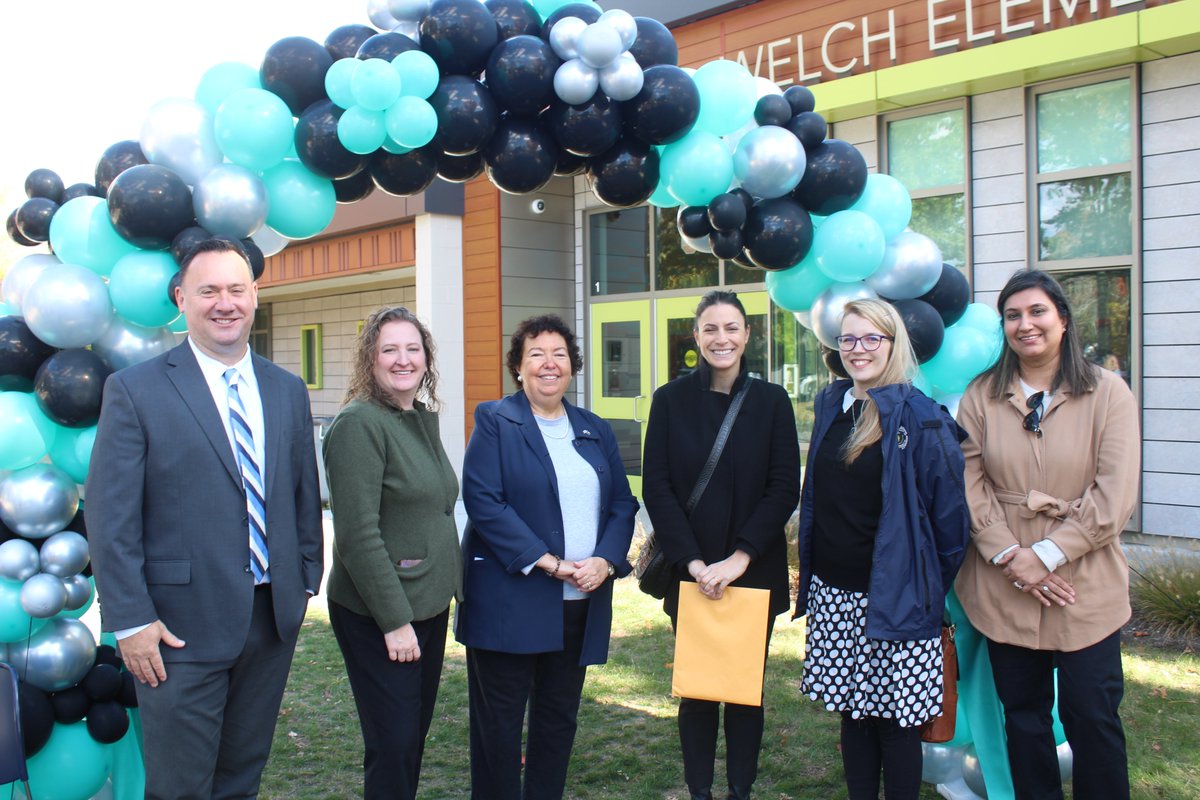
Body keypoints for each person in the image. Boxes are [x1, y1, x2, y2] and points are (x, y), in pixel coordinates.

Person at [87, 237, 324, 799]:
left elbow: (301, 493)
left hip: (269, 621)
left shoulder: (286, 388)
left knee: (241, 776)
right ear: (181, 299)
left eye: (237, 289)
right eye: (209, 290)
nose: (225, 303)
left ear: (256, 296)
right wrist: (131, 620)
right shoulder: (135, 390)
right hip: (175, 632)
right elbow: (109, 513)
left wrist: (304, 579)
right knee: (181, 788)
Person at [954, 270, 1139, 799]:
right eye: (1012, 315)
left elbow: (1115, 495)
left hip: (1086, 585)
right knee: (1025, 719)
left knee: (1093, 717)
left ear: (1062, 319)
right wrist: (1013, 555)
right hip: (1005, 582)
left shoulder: (1109, 394)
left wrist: (1049, 554)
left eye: (1037, 312)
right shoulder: (981, 395)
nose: (1025, 324)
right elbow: (969, 483)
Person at [457, 314, 638, 800]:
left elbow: (622, 503)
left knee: (558, 721)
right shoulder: (496, 421)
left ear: (573, 366)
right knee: (499, 729)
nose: (548, 364)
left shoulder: (594, 428)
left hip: (578, 604)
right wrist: (548, 562)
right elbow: (484, 501)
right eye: (536, 354)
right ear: (518, 367)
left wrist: (605, 560)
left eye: (559, 354)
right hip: (511, 604)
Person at [795, 298, 969, 800]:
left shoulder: (919, 417)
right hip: (835, 595)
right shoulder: (833, 404)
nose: (858, 349)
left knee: (895, 723)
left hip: (896, 597)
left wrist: (922, 586)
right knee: (854, 714)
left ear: (893, 345)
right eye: (848, 338)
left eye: (872, 338)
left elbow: (951, 524)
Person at [642, 290, 800, 800]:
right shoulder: (669, 400)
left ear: (747, 334)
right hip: (692, 572)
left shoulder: (772, 402)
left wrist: (738, 558)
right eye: (711, 328)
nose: (721, 338)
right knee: (698, 690)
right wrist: (692, 561)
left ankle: (740, 790)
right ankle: (700, 791)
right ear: (696, 335)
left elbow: (783, 487)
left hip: (752, 570)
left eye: (732, 327)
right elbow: (657, 486)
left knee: (744, 692)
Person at [321, 306, 461, 800]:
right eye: (389, 350)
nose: (403, 359)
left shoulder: (416, 418)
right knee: (395, 741)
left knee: (410, 738)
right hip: (381, 610)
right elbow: (357, 535)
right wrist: (394, 621)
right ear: (370, 359)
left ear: (426, 357)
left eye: (412, 348)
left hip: (426, 601)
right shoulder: (359, 424)